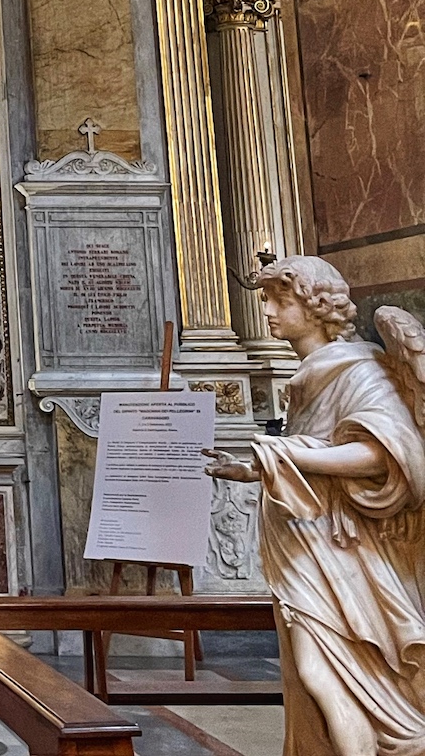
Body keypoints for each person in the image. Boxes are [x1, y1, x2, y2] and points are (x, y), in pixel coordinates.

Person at [207, 256, 425, 755]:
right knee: (318, 679)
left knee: (325, 675)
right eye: (266, 300)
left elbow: (387, 455)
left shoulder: (360, 370)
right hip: (309, 546)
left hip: (344, 552)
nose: (267, 312)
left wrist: (283, 455)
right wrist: (257, 467)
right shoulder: (313, 373)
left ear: (317, 306)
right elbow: (319, 451)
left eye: (278, 301)